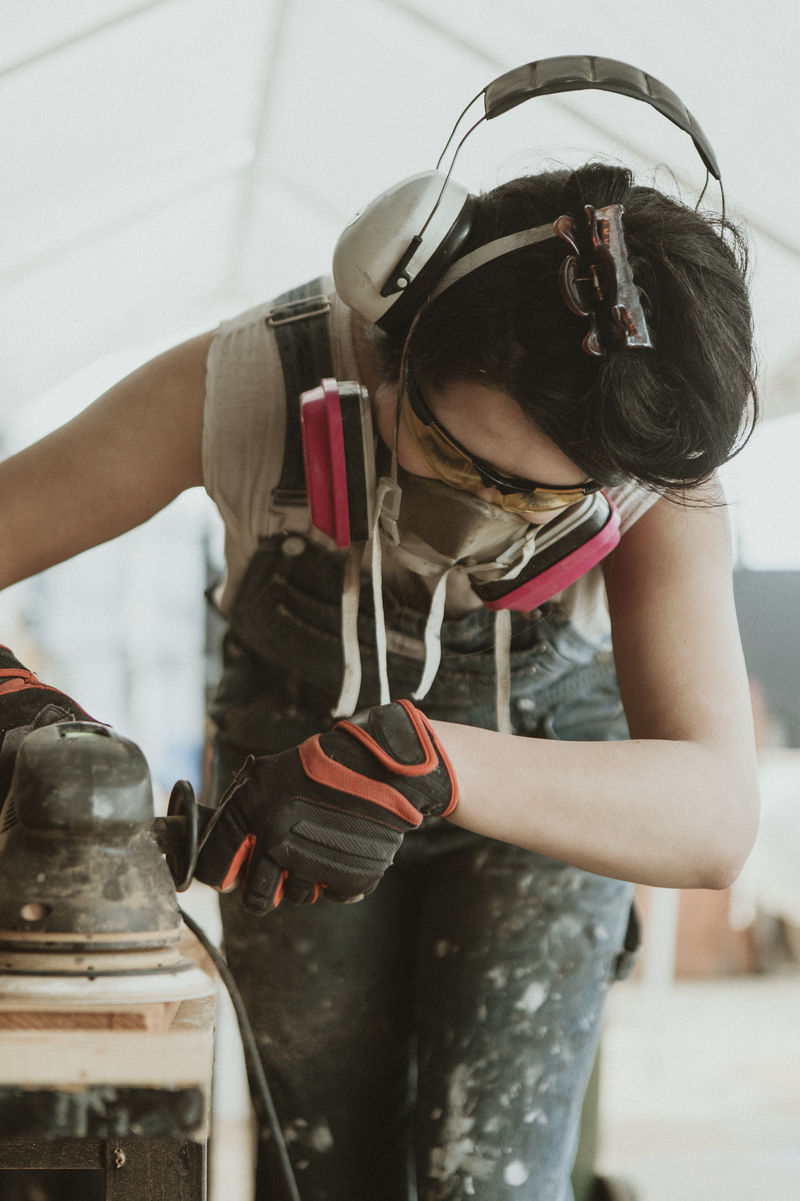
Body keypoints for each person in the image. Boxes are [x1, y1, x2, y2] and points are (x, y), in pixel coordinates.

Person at [0, 70, 759, 1201]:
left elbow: (712, 818)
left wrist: (428, 759)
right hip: (287, 781)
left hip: (546, 780)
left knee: (487, 1182)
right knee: (322, 1174)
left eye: (537, 501)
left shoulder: (647, 466)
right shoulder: (254, 380)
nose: (486, 515)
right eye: (457, 459)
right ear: (392, 336)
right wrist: (28, 712)